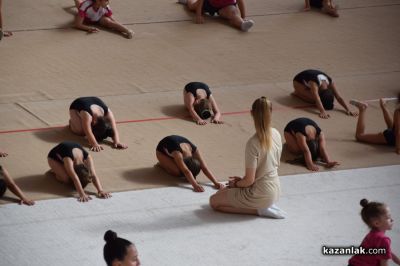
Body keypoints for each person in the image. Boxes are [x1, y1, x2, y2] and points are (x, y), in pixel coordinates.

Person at [210, 97, 286, 218]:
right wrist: (241, 181)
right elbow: (263, 170)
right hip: (276, 190)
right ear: (270, 112)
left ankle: (260, 210)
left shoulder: (253, 143)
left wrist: (236, 184)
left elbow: (249, 181)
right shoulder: (276, 133)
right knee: (223, 191)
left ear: (251, 113)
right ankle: (265, 205)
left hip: (260, 194)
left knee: (213, 202)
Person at [156, 135, 225, 192]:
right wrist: (195, 185)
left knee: (184, 172)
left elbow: (204, 168)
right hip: (161, 153)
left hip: (172, 150)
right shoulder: (177, 153)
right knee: (176, 172)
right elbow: (186, 171)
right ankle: (162, 164)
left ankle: (174, 162)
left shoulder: (194, 150)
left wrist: (216, 182)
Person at [47, 141, 111, 202]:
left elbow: (93, 174)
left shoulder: (88, 157)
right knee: (66, 179)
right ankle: (55, 169)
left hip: (67, 155)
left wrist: (100, 191)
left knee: (86, 177)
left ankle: (63, 168)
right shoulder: (68, 159)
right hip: (53, 158)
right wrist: (82, 194)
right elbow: (74, 178)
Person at [348, 199, 400, 266]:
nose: (392, 220)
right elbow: (384, 264)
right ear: (377, 223)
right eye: (388, 218)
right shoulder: (383, 239)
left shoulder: (372, 234)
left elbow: (388, 252)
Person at [292, 69, 358, 119]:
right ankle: (297, 93)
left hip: (309, 78)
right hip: (298, 82)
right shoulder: (314, 83)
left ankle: (305, 90)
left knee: (314, 97)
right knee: (312, 99)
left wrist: (348, 109)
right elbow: (317, 98)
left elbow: (338, 97)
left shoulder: (330, 82)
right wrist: (322, 111)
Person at [178, 0, 255, 32]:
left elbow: (240, 1)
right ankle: (188, 1)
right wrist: (199, 15)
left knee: (234, 14)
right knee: (192, 7)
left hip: (226, 5)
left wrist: (243, 17)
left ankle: (242, 24)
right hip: (209, 3)